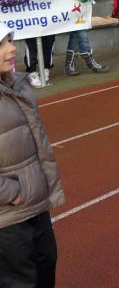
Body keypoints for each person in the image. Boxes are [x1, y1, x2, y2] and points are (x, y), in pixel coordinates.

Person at [0, 25, 65, 288]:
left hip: (35, 205)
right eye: (2, 44)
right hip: (8, 216)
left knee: (46, 268)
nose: (12, 48)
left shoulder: (17, 85)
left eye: (10, 41)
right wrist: (13, 193)